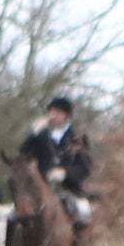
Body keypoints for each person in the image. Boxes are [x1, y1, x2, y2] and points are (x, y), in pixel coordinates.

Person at [24, 95, 98, 226]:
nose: (53, 116)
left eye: (58, 113)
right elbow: (24, 153)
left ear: (66, 116)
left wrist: (65, 173)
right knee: (18, 212)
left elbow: (85, 168)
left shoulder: (77, 137)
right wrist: (34, 134)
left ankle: (80, 245)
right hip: (42, 187)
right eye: (51, 112)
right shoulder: (42, 135)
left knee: (83, 213)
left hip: (68, 189)